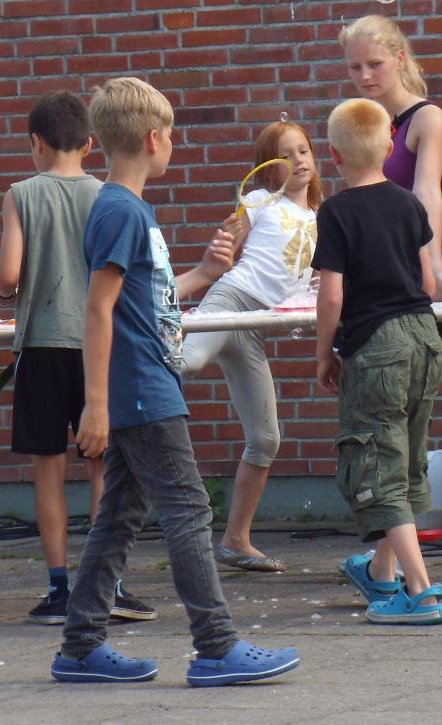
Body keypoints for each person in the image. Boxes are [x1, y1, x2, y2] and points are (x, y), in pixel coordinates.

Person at [49, 76, 299, 686]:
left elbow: (149, 300)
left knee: (118, 517)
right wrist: (96, 405)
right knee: (188, 510)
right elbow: (98, 309)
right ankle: (216, 646)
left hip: (143, 383)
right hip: (141, 389)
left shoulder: (128, 209)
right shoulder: (119, 210)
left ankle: (80, 647)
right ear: (152, 138)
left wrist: (204, 273)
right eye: (171, 133)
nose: (174, 143)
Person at [0, 90, 155, 626]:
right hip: (96, 348)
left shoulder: (20, 194)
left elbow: (10, 275)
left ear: (35, 143)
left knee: (49, 469)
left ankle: (58, 587)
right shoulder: (107, 195)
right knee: (103, 465)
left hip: (41, 345)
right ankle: (109, 583)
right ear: (89, 144)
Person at [312, 97, 442, 626]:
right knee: (407, 459)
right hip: (424, 337)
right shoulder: (409, 205)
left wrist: (325, 353)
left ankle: (423, 593)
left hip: (378, 346)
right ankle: (381, 572)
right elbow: (426, 279)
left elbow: (331, 296)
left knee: (378, 465)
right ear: (391, 146)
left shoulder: (336, 212)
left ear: (333, 155)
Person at [182, 120, 321, 572]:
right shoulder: (261, 201)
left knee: (265, 439)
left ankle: (235, 541)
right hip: (229, 302)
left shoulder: (320, 218)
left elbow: (316, 281)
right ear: (267, 169)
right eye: (286, 155)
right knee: (188, 361)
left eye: (304, 151)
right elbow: (231, 241)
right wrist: (227, 236)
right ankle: (115, 376)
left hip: (254, 328)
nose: (298, 160)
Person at [338, 15, 442, 301]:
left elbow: (427, 191)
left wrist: (435, 268)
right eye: (355, 67)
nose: (364, 76)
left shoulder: (426, 117)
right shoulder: (362, 118)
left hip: (408, 255)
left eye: (375, 64)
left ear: (400, 59)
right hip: (370, 253)